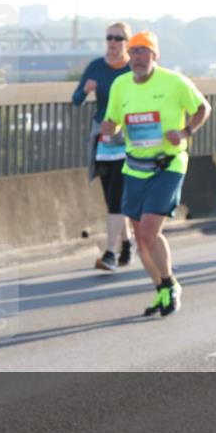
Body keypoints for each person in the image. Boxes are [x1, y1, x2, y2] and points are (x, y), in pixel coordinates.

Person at [100, 31, 211, 316]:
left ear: (155, 55)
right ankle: (162, 288)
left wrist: (186, 131)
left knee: (149, 231)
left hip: (168, 165)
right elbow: (112, 121)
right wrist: (108, 128)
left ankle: (170, 284)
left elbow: (203, 108)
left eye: (143, 52)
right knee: (141, 239)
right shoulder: (120, 85)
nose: (137, 57)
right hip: (135, 167)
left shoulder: (174, 82)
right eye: (134, 52)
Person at [72, 22, 133, 271]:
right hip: (103, 138)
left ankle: (110, 253)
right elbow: (76, 99)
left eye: (118, 38)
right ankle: (127, 243)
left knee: (117, 196)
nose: (113, 42)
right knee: (111, 197)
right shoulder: (96, 67)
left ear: (127, 43)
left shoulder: (133, 68)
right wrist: (85, 91)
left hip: (127, 138)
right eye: (110, 37)